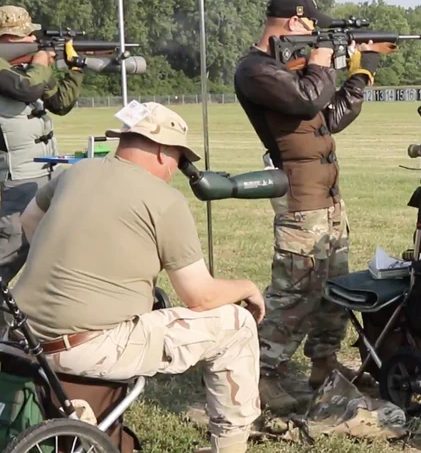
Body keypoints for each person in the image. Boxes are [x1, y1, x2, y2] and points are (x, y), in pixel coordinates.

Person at [12, 102, 264, 453]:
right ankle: (230, 446)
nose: (177, 168)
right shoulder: (164, 200)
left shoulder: (75, 172)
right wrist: (247, 287)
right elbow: (200, 296)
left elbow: (28, 222)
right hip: (87, 346)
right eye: (179, 158)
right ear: (163, 152)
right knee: (235, 325)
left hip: (22, 336)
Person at [233, 0, 385, 415]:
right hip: (301, 199)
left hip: (327, 197)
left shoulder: (293, 70)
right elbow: (309, 98)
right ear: (295, 22)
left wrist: (361, 74)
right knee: (295, 292)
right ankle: (261, 374)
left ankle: (324, 365)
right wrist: (322, 64)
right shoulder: (256, 70)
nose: (315, 34)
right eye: (312, 26)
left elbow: (329, 116)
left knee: (334, 289)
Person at [0, 5, 83, 283]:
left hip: (42, 175)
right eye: (25, 36)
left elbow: (59, 103)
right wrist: (41, 60)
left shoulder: (26, 68)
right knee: (10, 251)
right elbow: (26, 88)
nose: (31, 40)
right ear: (7, 39)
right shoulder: (13, 71)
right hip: (13, 180)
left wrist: (74, 69)